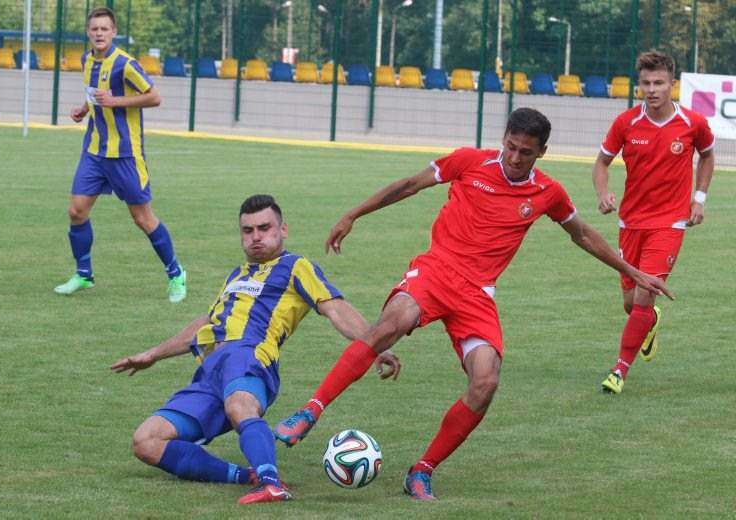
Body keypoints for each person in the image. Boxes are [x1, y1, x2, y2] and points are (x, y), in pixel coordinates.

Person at [274, 108, 673, 500]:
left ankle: (421, 471)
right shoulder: (469, 161)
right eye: (511, 147)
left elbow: (582, 233)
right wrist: (354, 213)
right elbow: (410, 185)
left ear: (542, 152)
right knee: (391, 325)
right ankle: (309, 412)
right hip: (435, 271)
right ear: (503, 139)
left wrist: (633, 272)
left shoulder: (547, 192)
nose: (515, 158)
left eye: (526, 152)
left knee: (485, 381)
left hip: (477, 294)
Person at [111, 194, 401, 505]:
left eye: (264, 228)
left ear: (283, 229)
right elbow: (207, 324)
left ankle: (271, 483)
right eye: (247, 231)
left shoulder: (296, 266)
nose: (256, 237)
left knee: (239, 407)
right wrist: (153, 354)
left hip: (250, 358)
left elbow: (335, 309)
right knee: (146, 441)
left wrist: (372, 345)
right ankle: (243, 475)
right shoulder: (235, 276)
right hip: (210, 374)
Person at [593, 51, 715, 395]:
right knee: (632, 304)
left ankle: (619, 371)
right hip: (631, 222)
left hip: (670, 223)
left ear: (672, 85)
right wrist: (603, 193)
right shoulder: (626, 123)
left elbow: (707, 156)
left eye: (659, 83)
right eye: (645, 83)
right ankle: (650, 320)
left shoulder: (692, 123)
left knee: (645, 294)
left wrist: (699, 199)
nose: (651, 89)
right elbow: (601, 163)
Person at [54, 7, 187, 302]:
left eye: (104, 29)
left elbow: (154, 96)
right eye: (94, 29)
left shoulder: (125, 64)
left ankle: (176, 273)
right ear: (88, 32)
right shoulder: (86, 59)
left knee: (142, 218)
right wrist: (85, 108)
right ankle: (84, 275)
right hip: (94, 150)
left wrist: (115, 102)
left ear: (113, 32)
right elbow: (95, 92)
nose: (99, 33)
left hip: (125, 154)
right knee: (76, 211)